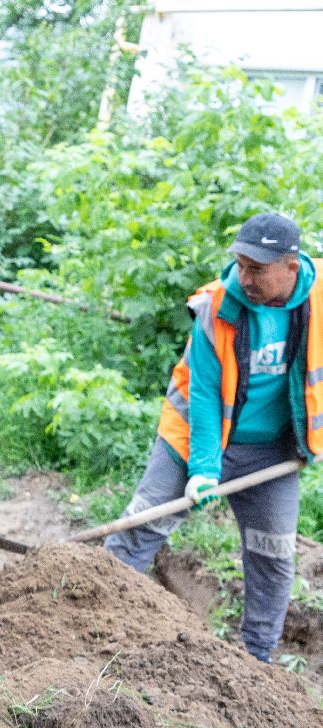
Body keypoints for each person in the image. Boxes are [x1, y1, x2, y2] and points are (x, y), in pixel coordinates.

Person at [105, 211, 321, 661]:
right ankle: (84, 618)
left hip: (272, 453)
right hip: (194, 437)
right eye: (240, 264)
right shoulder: (216, 305)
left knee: (273, 556)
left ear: (291, 268)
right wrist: (204, 470)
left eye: (256, 269)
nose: (244, 277)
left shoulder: (318, 302)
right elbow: (204, 394)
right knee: (144, 525)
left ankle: (256, 661)